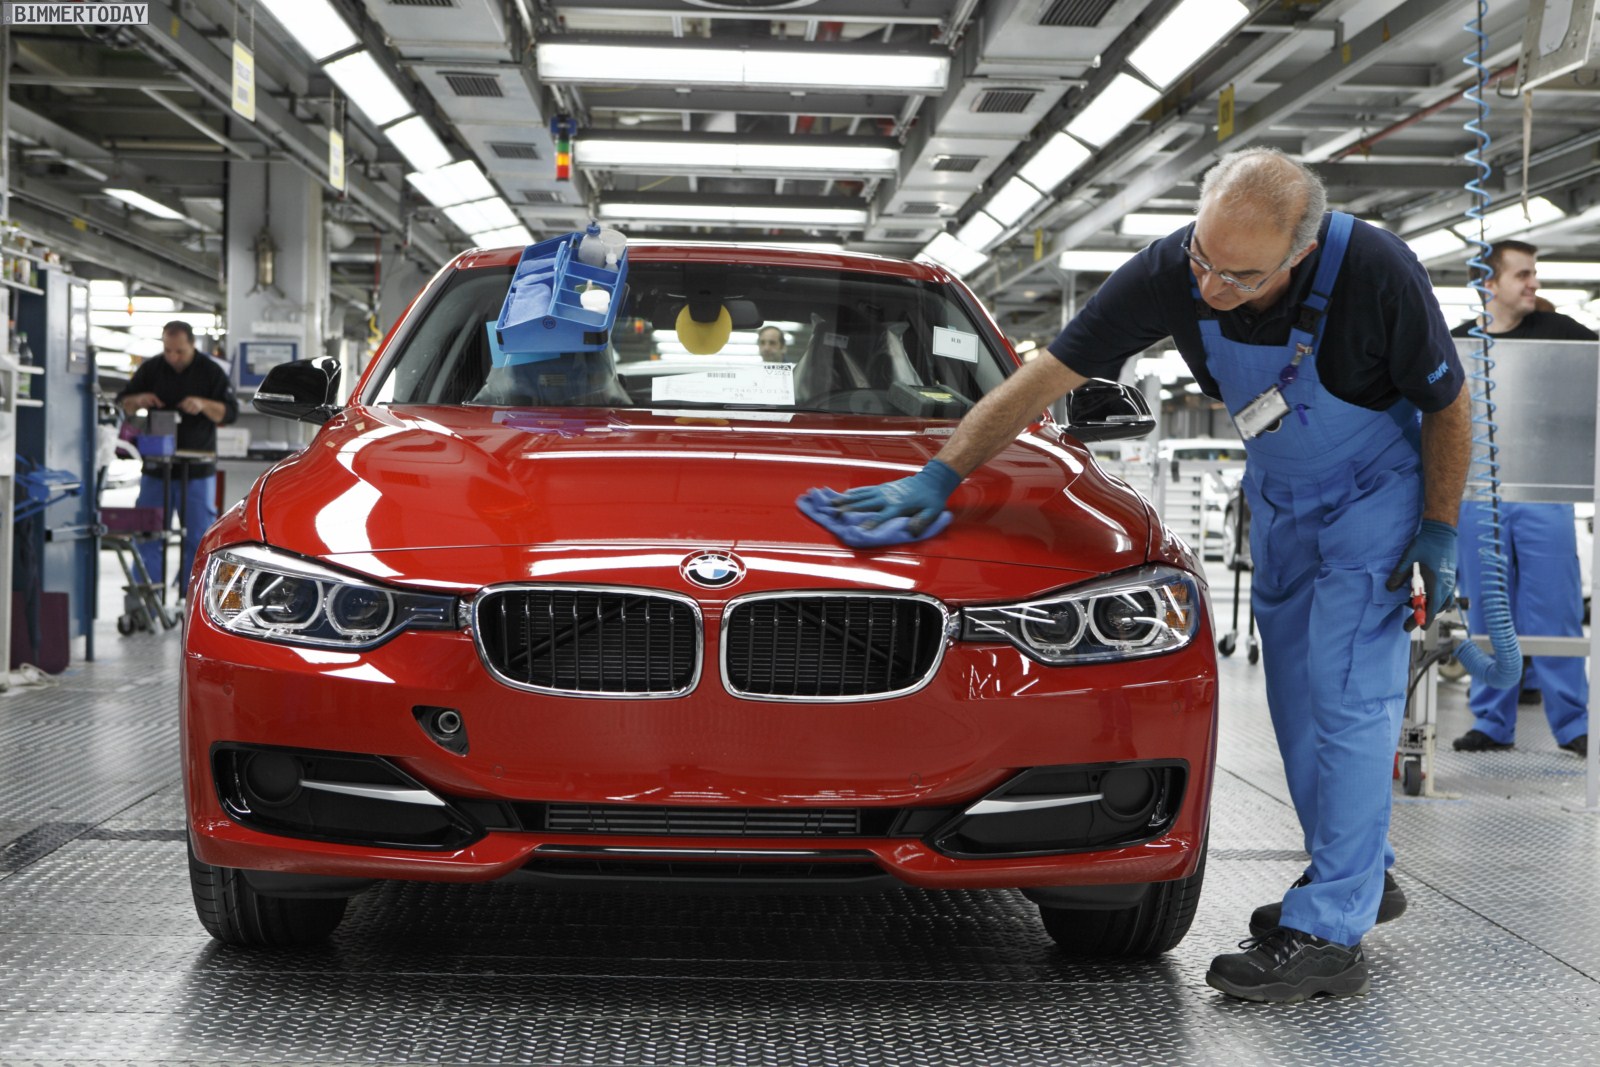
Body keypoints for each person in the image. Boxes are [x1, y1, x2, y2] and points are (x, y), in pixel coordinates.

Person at [812, 148, 1471, 1003]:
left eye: (1240, 277)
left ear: (1301, 254)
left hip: (1378, 492)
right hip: (1280, 492)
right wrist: (943, 472)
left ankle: (1329, 929)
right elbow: (1044, 379)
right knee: (1296, 697)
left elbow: (1448, 404)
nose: (1211, 288)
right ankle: (1357, 873)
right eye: (1204, 259)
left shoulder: (1377, 270)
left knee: (1347, 693)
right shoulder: (1171, 270)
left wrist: (1439, 527)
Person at [1449, 240, 1594, 758]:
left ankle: (1574, 723)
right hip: (1476, 497)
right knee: (1487, 613)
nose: (1534, 283)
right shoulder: (1457, 344)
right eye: (1523, 274)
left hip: (1542, 493)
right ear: (1488, 282)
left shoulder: (1561, 334)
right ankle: (1492, 721)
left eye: (1535, 273)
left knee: (1555, 608)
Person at [117, 320, 239, 595]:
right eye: (168, 350)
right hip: (156, 470)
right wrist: (139, 400)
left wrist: (203, 404)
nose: (173, 357)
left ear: (193, 345)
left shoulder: (211, 371)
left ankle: (192, 598)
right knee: (147, 534)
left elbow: (230, 413)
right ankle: (146, 599)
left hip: (197, 471)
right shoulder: (152, 368)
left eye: (179, 352)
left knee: (198, 538)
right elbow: (123, 402)